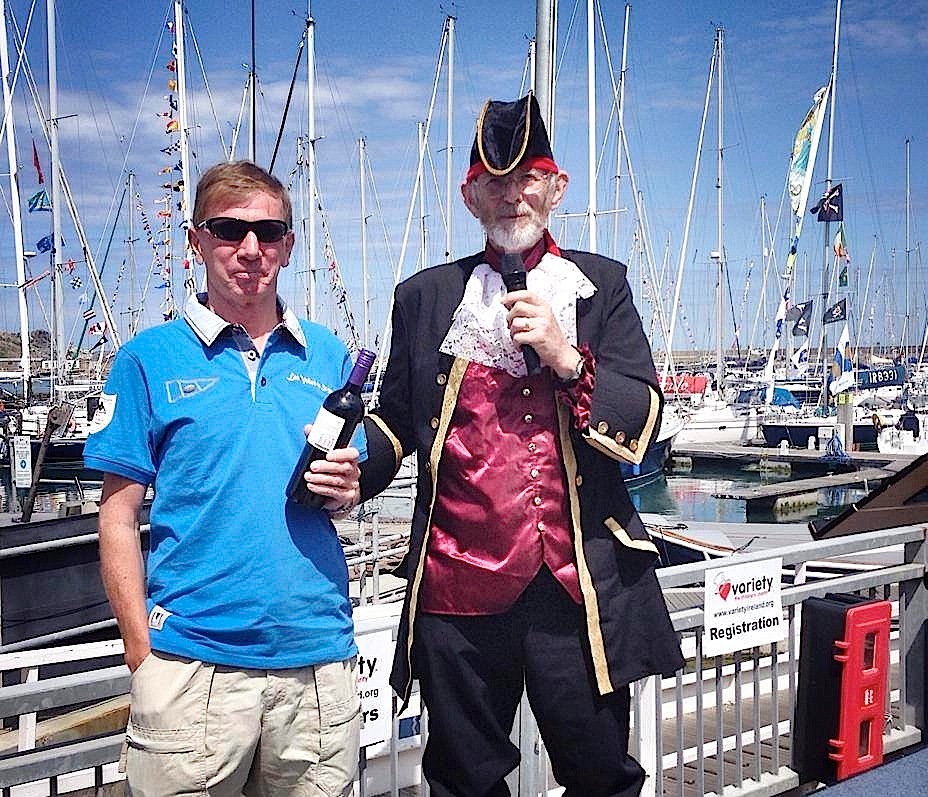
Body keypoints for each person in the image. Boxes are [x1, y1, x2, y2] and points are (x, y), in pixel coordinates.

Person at [358, 94, 684, 796]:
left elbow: (648, 418)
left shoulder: (601, 288)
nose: (512, 196)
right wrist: (353, 469)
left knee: (601, 775)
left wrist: (569, 359)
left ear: (556, 187)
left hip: (574, 591)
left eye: (526, 178)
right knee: (462, 781)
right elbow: (393, 421)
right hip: (454, 590)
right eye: (494, 182)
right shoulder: (424, 298)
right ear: (470, 195)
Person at [85, 160, 363, 797]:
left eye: (268, 232)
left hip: (316, 665)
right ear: (196, 240)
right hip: (191, 668)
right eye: (228, 229)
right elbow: (118, 517)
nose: (249, 249)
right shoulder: (147, 359)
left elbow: (344, 496)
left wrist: (346, 492)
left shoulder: (330, 357)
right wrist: (142, 656)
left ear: (288, 247)